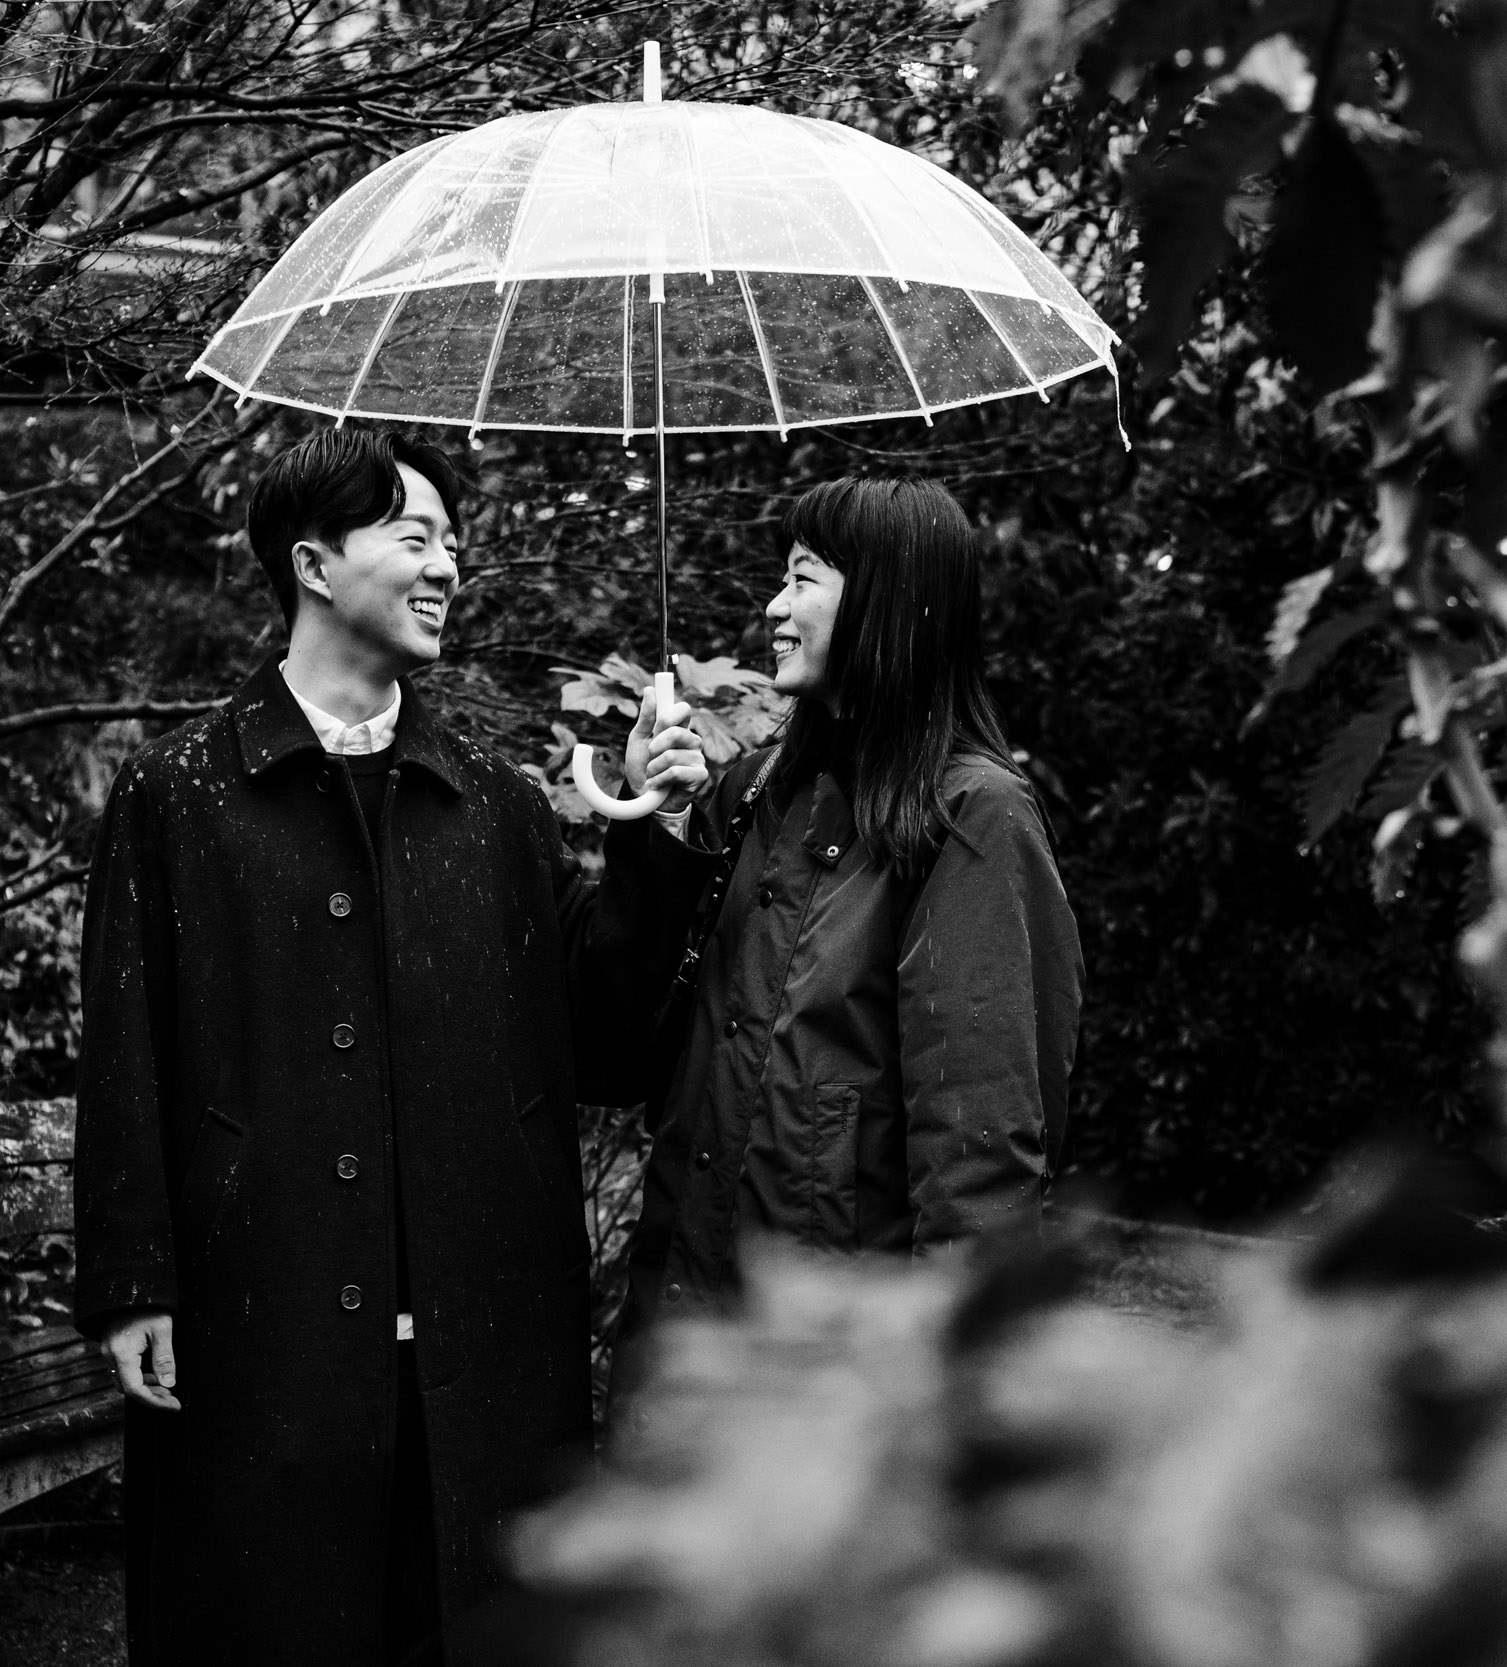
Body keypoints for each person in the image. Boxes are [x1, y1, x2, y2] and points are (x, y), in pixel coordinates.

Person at [73, 428, 711, 1666]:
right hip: (262, 1346)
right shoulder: (178, 794)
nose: (447, 567)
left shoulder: (499, 805)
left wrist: (651, 832)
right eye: (415, 537)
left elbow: (604, 1046)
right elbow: (126, 1050)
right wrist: (132, 1276)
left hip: (486, 1362)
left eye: (453, 543)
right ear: (313, 565)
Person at [621, 476, 1081, 1318]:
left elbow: (979, 1152)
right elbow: (638, 1030)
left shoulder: (974, 816)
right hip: (689, 1325)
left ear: (883, 601)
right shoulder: (753, 791)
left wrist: (953, 1359)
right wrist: (664, 819)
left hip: (838, 1346)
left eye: (802, 579)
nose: (773, 606)